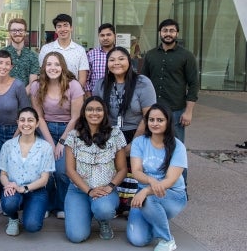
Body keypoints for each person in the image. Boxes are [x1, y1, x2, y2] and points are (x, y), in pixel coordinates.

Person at [93, 46, 157, 213]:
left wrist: (133, 144)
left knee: (133, 169)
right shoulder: (102, 84)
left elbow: (148, 116)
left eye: (121, 59)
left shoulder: (142, 83)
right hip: (109, 133)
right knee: (111, 169)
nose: (117, 63)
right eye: (112, 60)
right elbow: (95, 113)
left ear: (129, 61)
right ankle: (113, 202)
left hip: (136, 132)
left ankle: (133, 204)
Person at [141, 19, 198, 187]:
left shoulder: (186, 56)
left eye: (172, 31)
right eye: (165, 30)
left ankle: (180, 186)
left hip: (176, 110)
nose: (168, 33)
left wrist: (189, 111)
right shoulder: (150, 55)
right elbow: (143, 81)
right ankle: (154, 182)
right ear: (160, 33)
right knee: (151, 147)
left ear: (177, 33)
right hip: (152, 111)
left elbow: (193, 84)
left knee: (176, 147)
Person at [63, 96, 127, 242]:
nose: (94, 113)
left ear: (104, 112)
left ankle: (103, 220)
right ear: (84, 113)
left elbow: (122, 169)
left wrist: (110, 187)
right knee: (76, 236)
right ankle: (86, 211)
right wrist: (89, 191)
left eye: (98, 110)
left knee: (103, 209)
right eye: (90, 109)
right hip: (79, 191)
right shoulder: (73, 136)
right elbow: (70, 170)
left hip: (105, 190)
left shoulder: (115, 134)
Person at [126, 104, 188, 251]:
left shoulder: (178, 147)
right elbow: (137, 171)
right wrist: (151, 181)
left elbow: (170, 180)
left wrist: (146, 191)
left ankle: (167, 240)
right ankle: (155, 220)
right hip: (144, 196)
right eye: (151, 119)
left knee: (149, 200)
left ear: (168, 122)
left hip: (172, 195)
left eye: (160, 120)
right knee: (138, 240)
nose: (155, 123)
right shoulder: (139, 142)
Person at [30, 51, 83, 219]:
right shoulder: (36, 86)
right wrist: (50, 143)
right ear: (44, 67)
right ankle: (48, 203)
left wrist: (61, 142)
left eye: (56, 64)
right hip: (46, 130)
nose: (53, 68)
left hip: (69, 130)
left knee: (61, 170)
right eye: (49, 64)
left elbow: (76, 117)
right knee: (45, 170)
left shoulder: (73, 85)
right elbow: (39, 117)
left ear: (62, 67)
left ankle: (61, 204)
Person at [0, 50, 30, 215]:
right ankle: (3, 198)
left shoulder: (17, 85)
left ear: (11, 66)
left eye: (7, 63)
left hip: (17, 132)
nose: (3, 66)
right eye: (0, 63)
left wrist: (17, 136)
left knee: (0, 172)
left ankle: (8, 202)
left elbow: (26, 113)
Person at [0, 107, 54, 236]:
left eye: (30, 120)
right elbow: (3, 175)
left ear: (37, 123)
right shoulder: (8, 145)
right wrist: (8, 185)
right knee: (10, 202)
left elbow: (44, 179)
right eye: (22, 120)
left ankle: (31, 210)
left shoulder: (45, 147)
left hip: (36, 191)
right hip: (13, 188)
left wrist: (24, 188)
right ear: (18, 122)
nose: (26, 124)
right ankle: (13, 218)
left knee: (32, 226)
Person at [38, 13, 89, 88]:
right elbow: (42, 73)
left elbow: (82, 78)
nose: (63, 29)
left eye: (65, 25)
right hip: (50, 92)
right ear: (56, 30)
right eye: (59, 26)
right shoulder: (46, 49)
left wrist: (75, 93)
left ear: (71, 28)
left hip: (72, 93)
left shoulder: (80, 50)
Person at [0, 18, 40, 93]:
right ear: (9, 32)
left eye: (21, 30)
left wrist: (20, 98)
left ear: (25, 32)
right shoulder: (1, 54)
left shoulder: (33, 56)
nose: (17, 33)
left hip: (25, 101)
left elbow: (33, 83)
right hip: (4, 99)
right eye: (14, 30)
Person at [85, 23, 116, 96]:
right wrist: (90, 97)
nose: (105, 38)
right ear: (98, 37)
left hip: (117, 96)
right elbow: (86, 79)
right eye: (102, 35)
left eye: (108, 35)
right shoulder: (91, 54)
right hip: (96, 96)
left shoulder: (121, 54)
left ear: (114, 36)